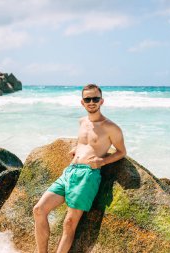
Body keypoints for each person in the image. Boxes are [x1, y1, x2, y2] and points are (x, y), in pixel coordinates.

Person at [33, 84, 127, 253]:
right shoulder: (81, 122)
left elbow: (122, 152)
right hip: (69, 172)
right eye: (88, 99)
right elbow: (85, 142)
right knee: (39, 210)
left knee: (69, 223)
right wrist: (77, 149)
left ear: (101, 101)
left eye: (95, 99)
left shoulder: (111, 127)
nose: (92, 102)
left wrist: (103, 161)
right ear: (82, 102)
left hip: (88, 176)